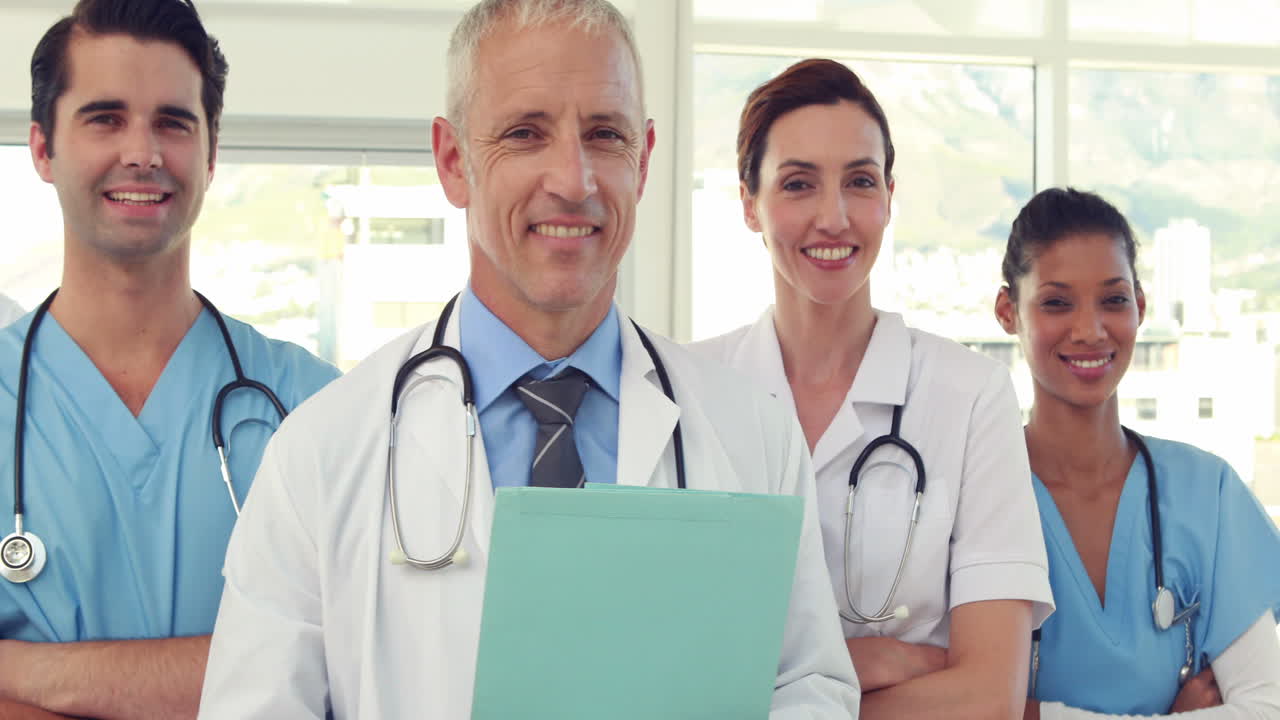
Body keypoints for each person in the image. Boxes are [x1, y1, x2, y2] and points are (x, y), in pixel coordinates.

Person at [196, 1, 860, 718]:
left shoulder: (751, 434)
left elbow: (809, 687)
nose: (572, 180)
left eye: (605, 135)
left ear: (645, 161)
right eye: (525, 133)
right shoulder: (321, 454)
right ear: (454, 162)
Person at [0, 1, 340, 717]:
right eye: (105, 118)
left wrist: (24, 670)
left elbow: (345, 661)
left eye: (173, 123)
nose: (143, 152)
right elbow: (274, 682)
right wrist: (231, 673)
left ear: (211, 154)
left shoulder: (315, 407)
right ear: (42, 148)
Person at [690, 58, 1055, 719]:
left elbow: (990, 698)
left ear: (889, 195)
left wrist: (780, 691)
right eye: (798, 184)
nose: (834, 217)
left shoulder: (971, 394)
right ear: (750, 205)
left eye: (859, 182)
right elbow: (665, 674)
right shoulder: (687, 392)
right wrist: (874, 664)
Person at [993, 187, 1280, 719]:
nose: (1089, 330)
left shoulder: (1206, 494)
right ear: (1008, 312)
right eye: (1057, 302)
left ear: (1141, 306)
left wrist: (1035, 713)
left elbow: (1265, 708)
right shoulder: (977, 494)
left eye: (1113, 299)